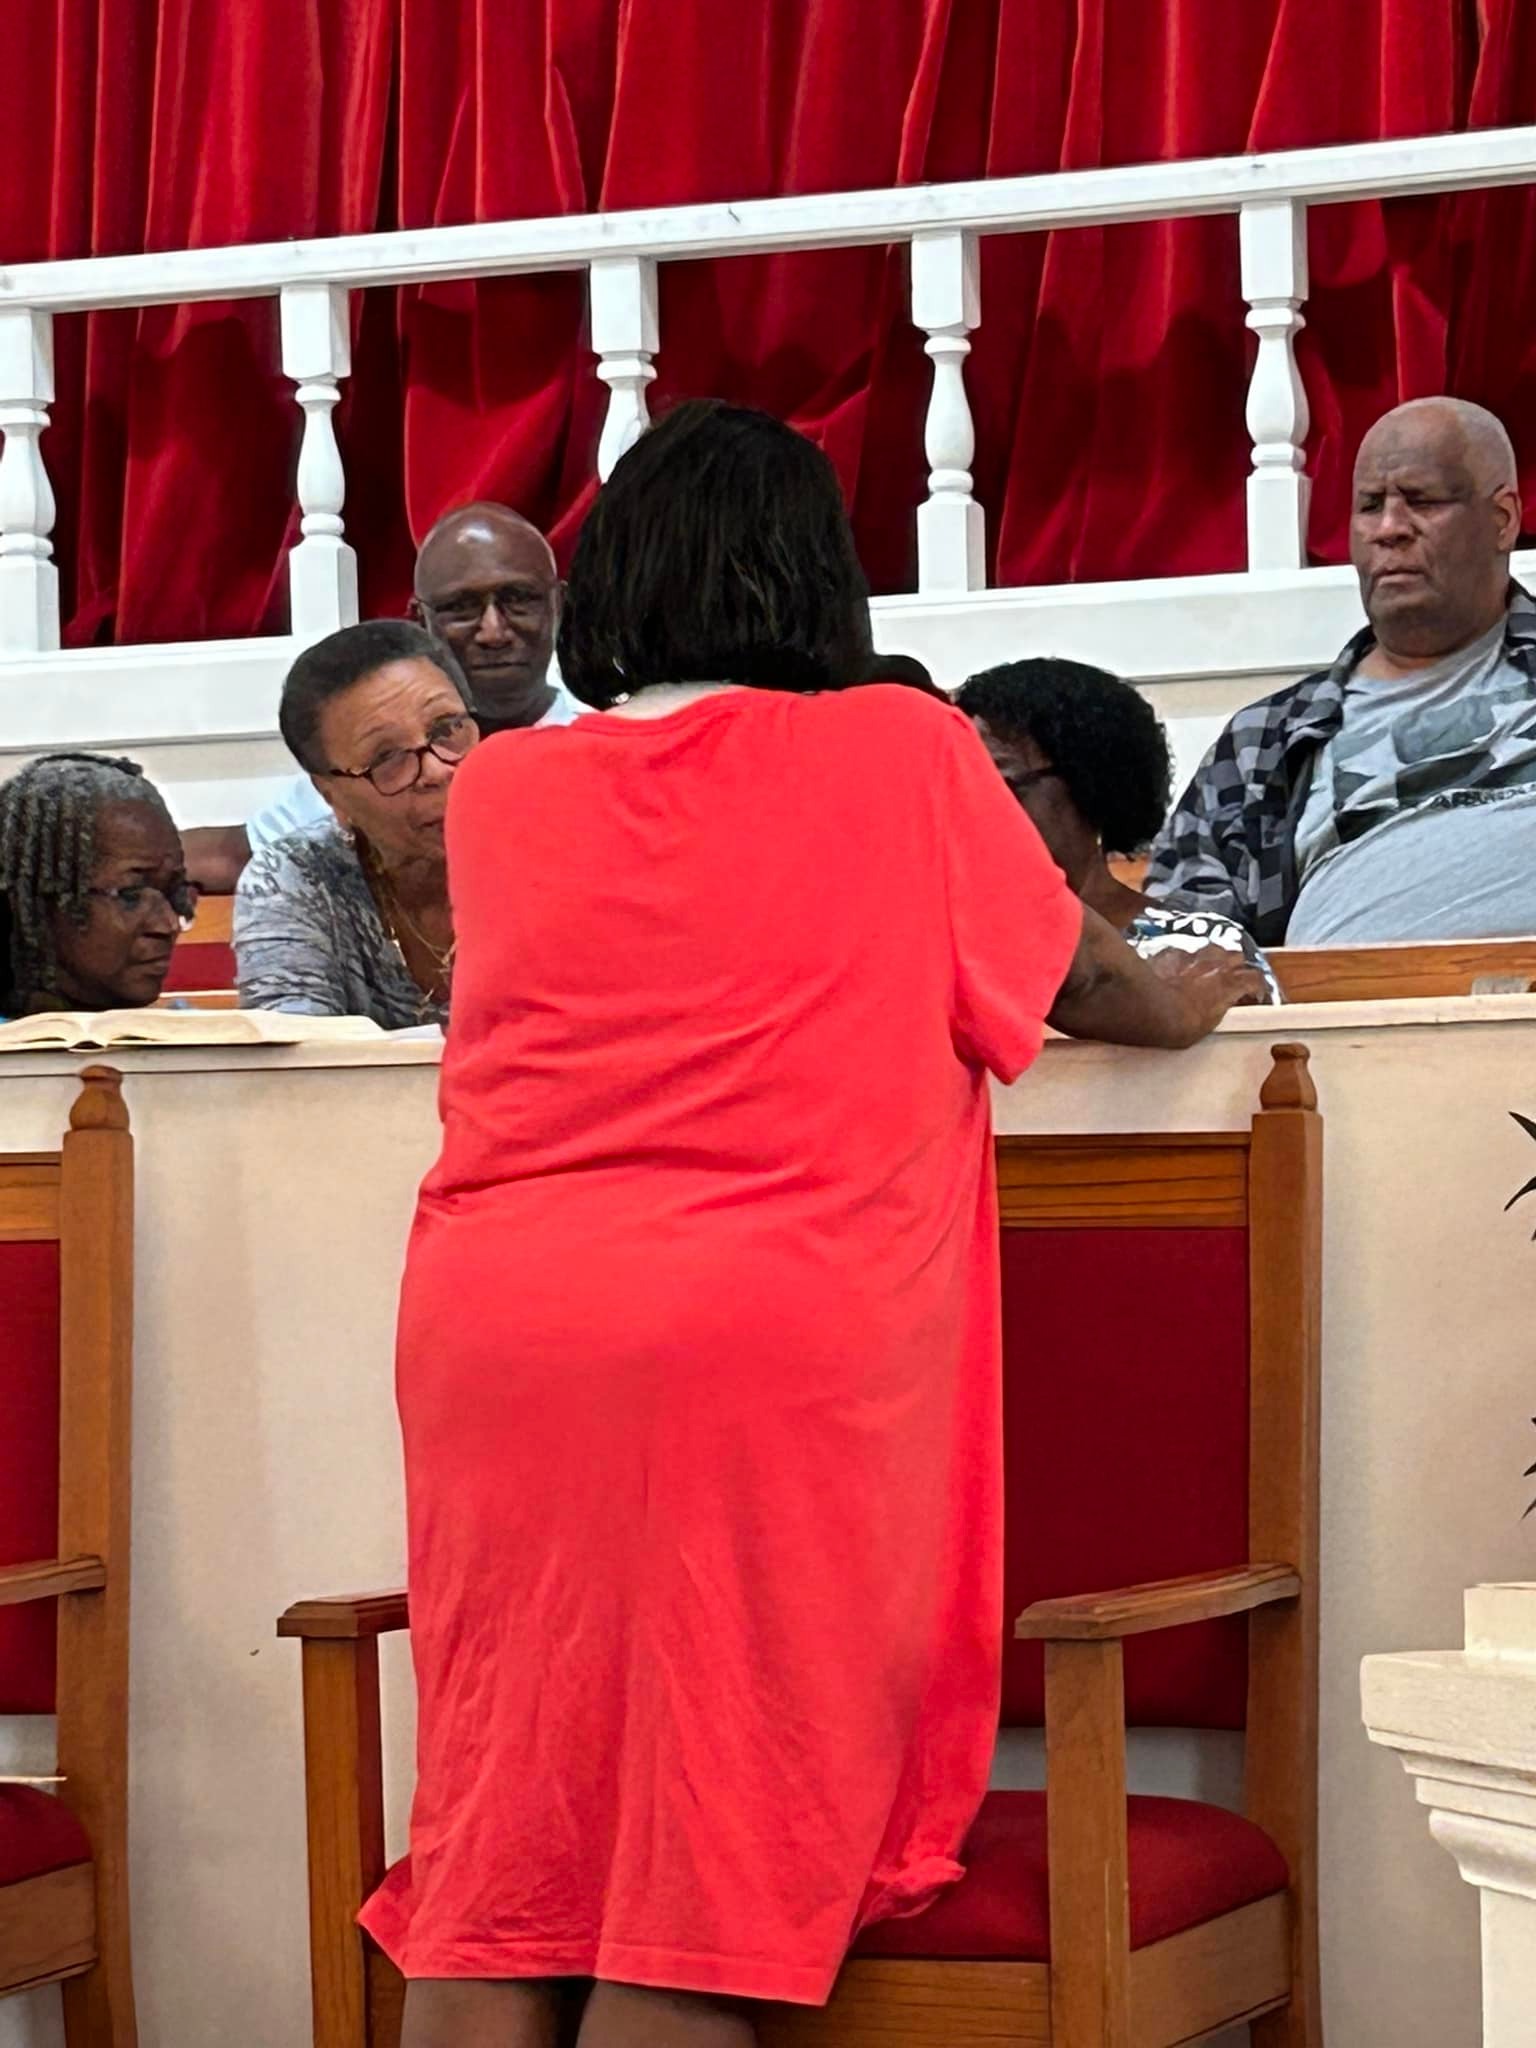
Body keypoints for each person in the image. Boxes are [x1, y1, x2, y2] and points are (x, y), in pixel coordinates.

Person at [368, 398, 1259, 2048]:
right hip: (763, 1346)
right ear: (816, 577)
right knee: (706, 1866)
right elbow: (1094, 984)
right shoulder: (903, 752)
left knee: (508, 1842)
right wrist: (1201, 990)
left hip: (501, 1334)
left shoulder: (505, 791)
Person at [1147, 396, 1535, 946]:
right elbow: (1180, 940)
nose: (1390, 529)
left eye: (1421, 501)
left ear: (1502, 520)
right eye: (1370, 506)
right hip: (1338, 1025)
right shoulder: (1264, 741)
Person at [184, 504, 574, 892]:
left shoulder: (605, 751)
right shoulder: (373, 758)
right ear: (421, 619)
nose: (493, 631)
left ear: (558, 603)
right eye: (463, 608)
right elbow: (238, 855)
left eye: (519, 598)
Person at [957, 657, 1279, 997]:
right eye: (957, 785)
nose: (969, 807)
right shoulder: (941, 947)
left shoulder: (1203, 953)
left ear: (1089, 787)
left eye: (997, 784)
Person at [233, 620, 479, 1025]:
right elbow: (295, 1060)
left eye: (448, 728)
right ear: (332, 795)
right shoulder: (297, 877)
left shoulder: (551, 847)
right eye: (386, 757)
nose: (435, 770)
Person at [0, 752, 195, 1017]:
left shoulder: (191, 1041)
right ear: (43, 900)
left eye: (175, 893)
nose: (168, 925)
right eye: (130, 895)